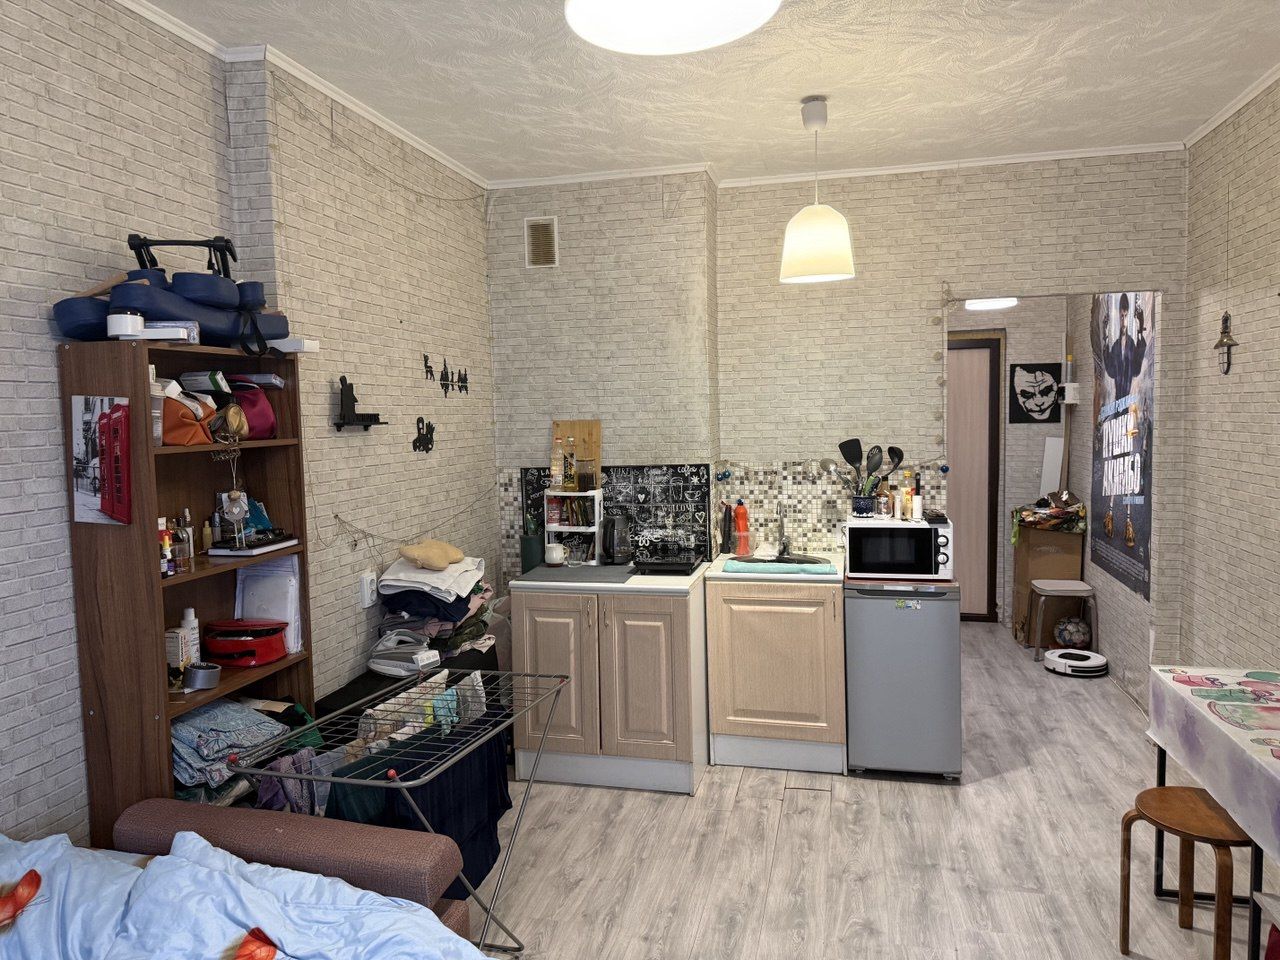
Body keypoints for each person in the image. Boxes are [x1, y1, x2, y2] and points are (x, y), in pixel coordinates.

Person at [1103, 293, 1148, 401]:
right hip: (1118, 401)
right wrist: (1106, 337)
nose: (1123, 320)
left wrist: (1139, 331)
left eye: (1126, 316)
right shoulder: (1115, 346)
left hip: (1129, 401)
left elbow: (1136, 370)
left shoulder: (1132, 344)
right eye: (1121, 316)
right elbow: (1111, 371)